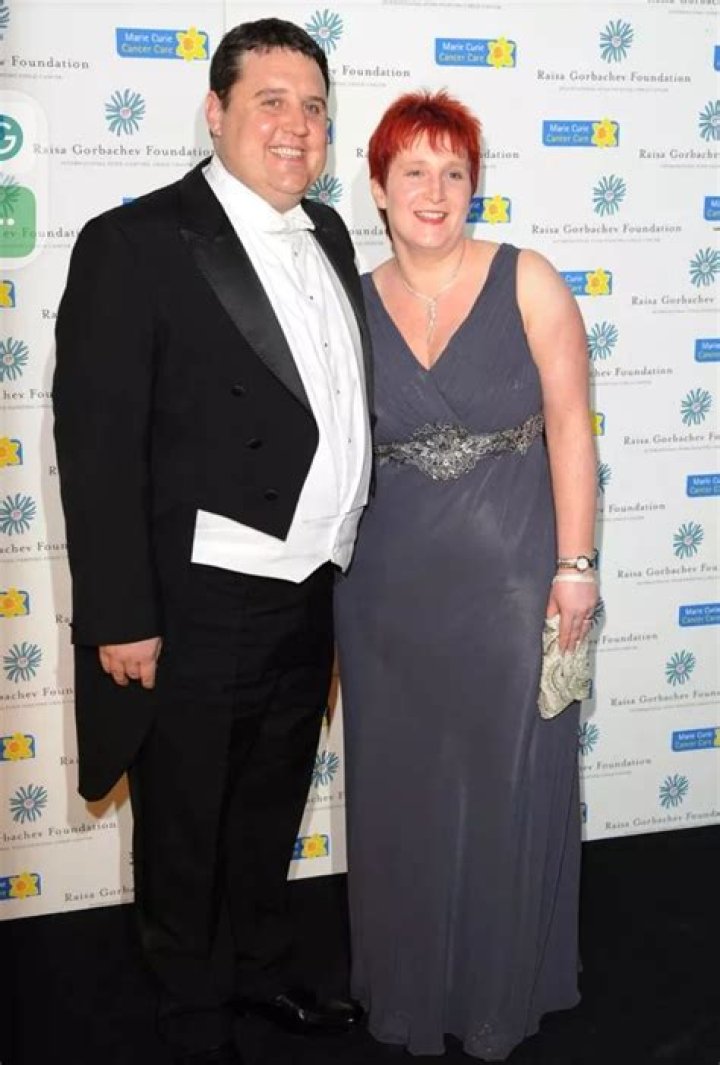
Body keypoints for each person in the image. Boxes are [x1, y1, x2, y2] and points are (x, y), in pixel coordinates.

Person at [53, 18, 371, 1065]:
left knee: (270, 803)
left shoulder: (331, 234)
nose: (296, 125)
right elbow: (97, 444)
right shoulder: (136, 242)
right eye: (270, 101)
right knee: (185, 821)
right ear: (215, 112)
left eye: (313, 107)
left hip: (309, 587)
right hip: (195, 600)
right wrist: (121, 615)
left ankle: (263, 972)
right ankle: (190, 1014)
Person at [335, 91, 598, 1060]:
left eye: (454, 172)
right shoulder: (347, 300)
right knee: (398, 792)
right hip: (384, 592)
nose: (435, 191)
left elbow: (570, 425)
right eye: (413, 171)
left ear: (474, 186)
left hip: (512, 580)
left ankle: (497, 991)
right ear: (378, 188)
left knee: (507, 783)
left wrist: (576, 566)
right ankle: (409, 987)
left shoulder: (528, 279)